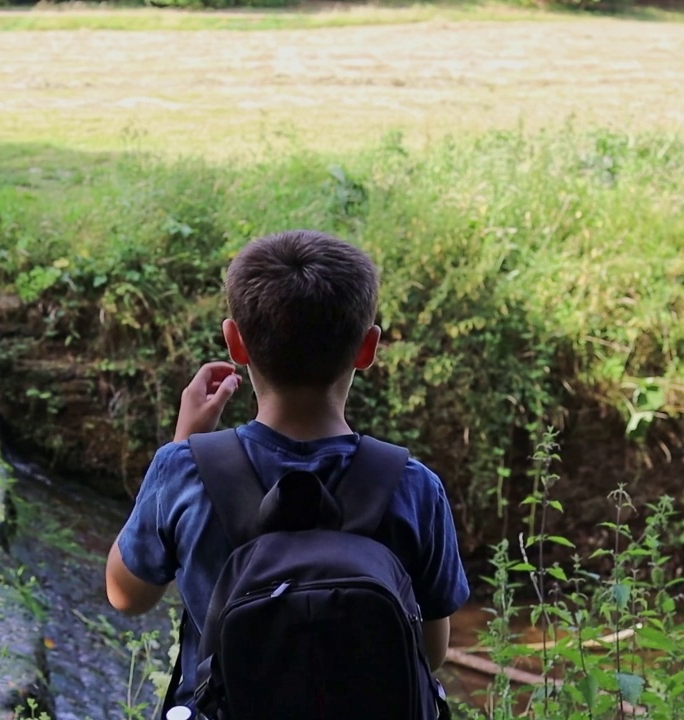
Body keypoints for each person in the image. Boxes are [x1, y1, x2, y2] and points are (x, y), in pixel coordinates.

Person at [104, 229, 470, 713]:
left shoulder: (184, 470)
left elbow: (125, 596)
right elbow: (431, 651)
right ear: (368, 348)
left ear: (235, 342)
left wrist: (182, 442)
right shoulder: (413, 485)